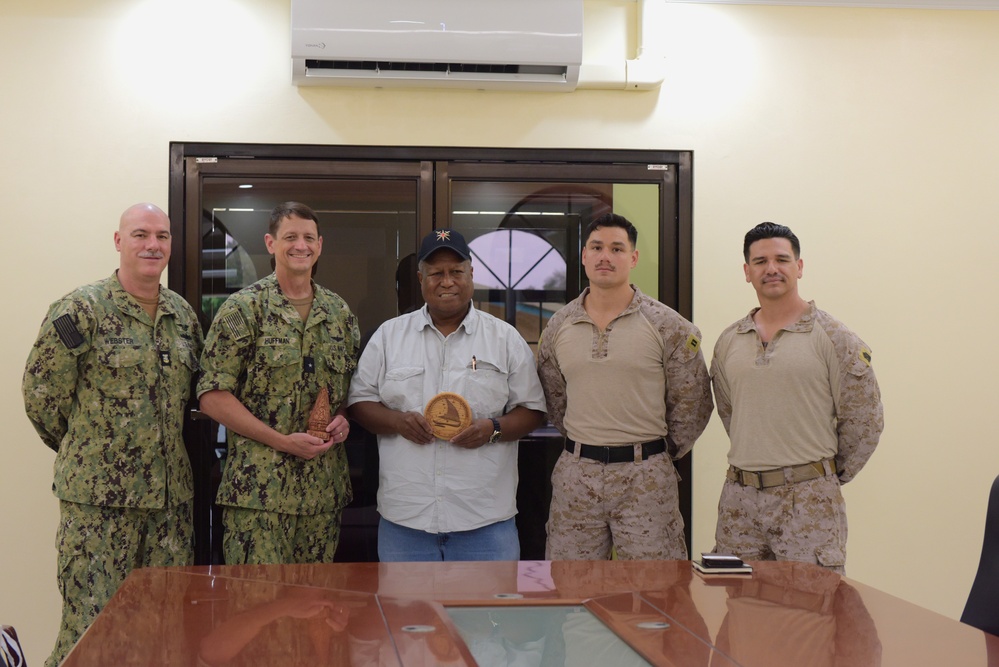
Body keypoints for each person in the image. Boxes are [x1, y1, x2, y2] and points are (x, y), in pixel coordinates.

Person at [22, 203, 203, 667]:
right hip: (98, 507)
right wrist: (90, 452)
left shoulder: (182, 315)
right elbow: (43, 397)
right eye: (141, 234)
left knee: (162, 628)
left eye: (162, 236)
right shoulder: (80, 310)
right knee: (92, 630)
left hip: (169, 506)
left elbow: (192, 399)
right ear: (119, 241)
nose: (153, 245)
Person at [347, 229, 546, 562]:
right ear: (421, 279)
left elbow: (532, 410)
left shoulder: (505, 339)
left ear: (471, 274)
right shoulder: (388, 336)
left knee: (486, 616)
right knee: (408, 616)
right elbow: (359, 402)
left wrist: (493, 429)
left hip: (485, 524)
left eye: (456, 271)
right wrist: (397, 421)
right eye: (436, 273)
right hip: (406, 524)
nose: (447, 281)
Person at [537, 213, 713, 561]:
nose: (606, 256)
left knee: (657, 590)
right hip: (577, 476)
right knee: (572, 589)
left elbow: (692, 403)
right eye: (597, 247)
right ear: (584, 255)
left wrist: (655, 454)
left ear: (633, 258)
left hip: (645, 478)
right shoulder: (559, 326)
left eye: (617, 248)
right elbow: (555, 399)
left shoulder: (668, 326)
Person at [710, 222, 884, 573]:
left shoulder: (833, 338)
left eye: (781, 259)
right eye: (760, 261)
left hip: (807, 501)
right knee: (738, 613)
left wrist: (820, 477)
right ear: (747, 272)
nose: (771, 269)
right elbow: (730, 412)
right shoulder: (730, 341)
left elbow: (865, 421)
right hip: (739, 500)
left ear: (799, 266)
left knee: (810, 617)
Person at [197, 201, 360, 565]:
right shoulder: (243, 309)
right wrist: (282, 442)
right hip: (259, 495)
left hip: (322, 493)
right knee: (259, 608)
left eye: (308, 237)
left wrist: (343, 418)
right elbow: (212, 396)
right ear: (271, 244)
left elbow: (347, 390)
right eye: (290, 237)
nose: (300, 245)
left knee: (315, 610)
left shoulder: (339, 314)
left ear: (320, 245)